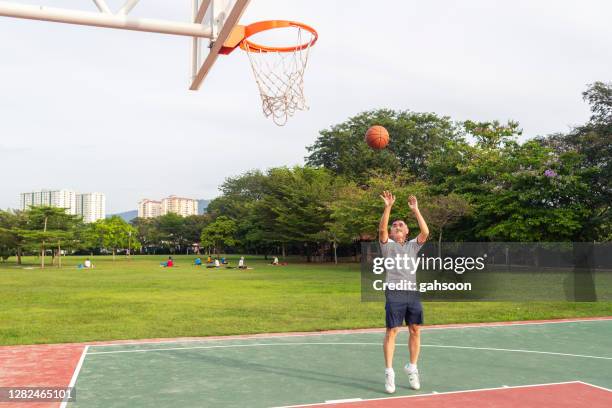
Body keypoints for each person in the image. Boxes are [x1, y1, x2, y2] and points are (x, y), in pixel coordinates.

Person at [379, 191, 429, 394]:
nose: (397, 225)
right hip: (395, 292)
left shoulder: (412, 246)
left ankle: (412, 367)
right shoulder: (388, 246)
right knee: (392, 330)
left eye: (401, 224)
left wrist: (416, 209)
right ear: (391, 233)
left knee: (415, 329)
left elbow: (425, 232)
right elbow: (382, 229)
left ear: (407, 231)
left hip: (412, 293)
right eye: (394, 225)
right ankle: (389, 372)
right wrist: (388, 207)